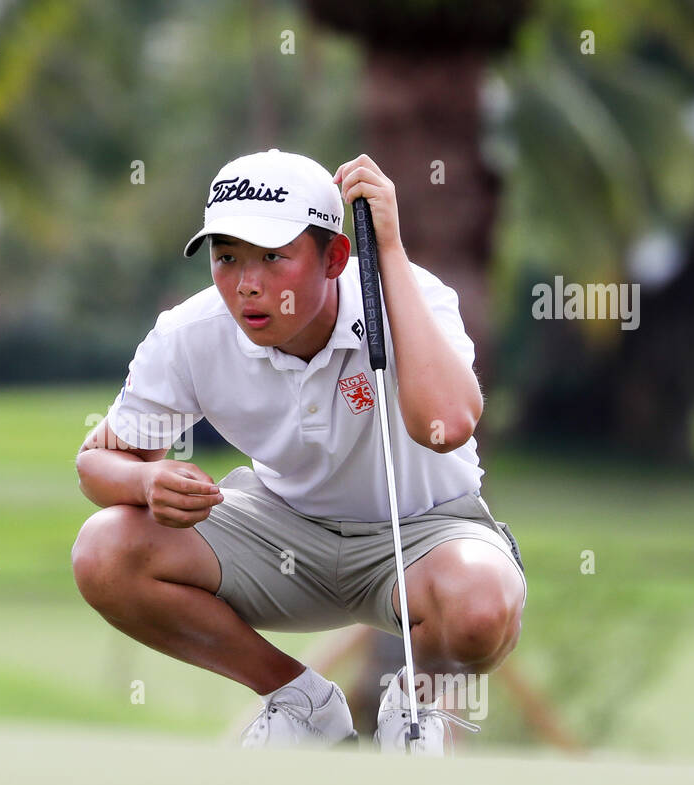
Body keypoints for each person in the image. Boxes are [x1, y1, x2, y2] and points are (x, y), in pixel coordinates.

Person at [71, 149, 526, 754]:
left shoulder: (410, 298)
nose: (247, 284)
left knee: (482, 604)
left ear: (335, 257)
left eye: (273, 258)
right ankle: (301, 702)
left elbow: (446, 425)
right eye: (227, 258)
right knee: (104, 550)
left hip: (421, 537)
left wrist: (387, 252)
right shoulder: (192, 332)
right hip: (281, 532)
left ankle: (412, 708)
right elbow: (96, 462)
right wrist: (145, 485)